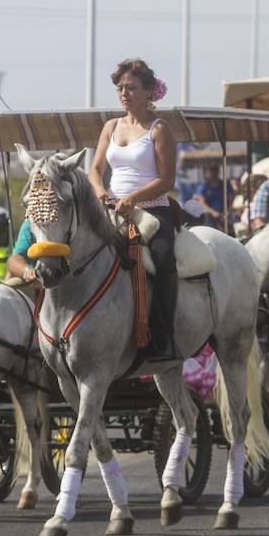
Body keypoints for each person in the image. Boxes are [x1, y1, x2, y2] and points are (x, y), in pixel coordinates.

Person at [88, 58, 180, 361]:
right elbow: (96, 169)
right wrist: (101, 191)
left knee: (165, 260)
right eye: (120, 88)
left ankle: (163, 336)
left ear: (148, 91)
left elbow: (166, 180)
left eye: (131, 87)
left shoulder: (159, 128)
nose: (124, 93)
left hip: (152, 211)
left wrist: (134, 199)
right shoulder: (110, 126)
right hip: (113, 209)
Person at [6, 218, 40, 285]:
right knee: (10, 285)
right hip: (36, 284)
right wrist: (27, 272)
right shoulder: (31, 224)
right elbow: (13, 260)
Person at [193, 165, 227, 229]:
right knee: (206, 216)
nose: (213, 172)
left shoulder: (224, 184)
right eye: (211, 170)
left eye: (215, 170)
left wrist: (227, 212)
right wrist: (213, 212)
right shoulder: (203, 186)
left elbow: (230, 199)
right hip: (209, 215)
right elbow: (202, 203)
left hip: (224, 214)